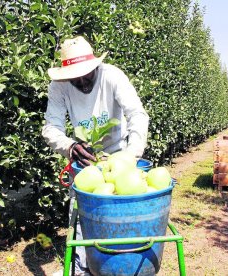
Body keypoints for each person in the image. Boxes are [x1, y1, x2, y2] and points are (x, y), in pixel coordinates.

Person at [42, 36, 149, 275]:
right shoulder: (59, 86)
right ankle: (81, 267)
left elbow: (137, 114)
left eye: (86, 74)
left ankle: (118, 264)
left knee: (119, 216)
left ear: (96, 67)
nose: (81, 81)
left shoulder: (112, 76)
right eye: (74, 77)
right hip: (85, 160)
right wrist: (69, 147)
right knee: (81, 212)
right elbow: (51, 127)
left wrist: (131, 156)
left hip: (118, 156)